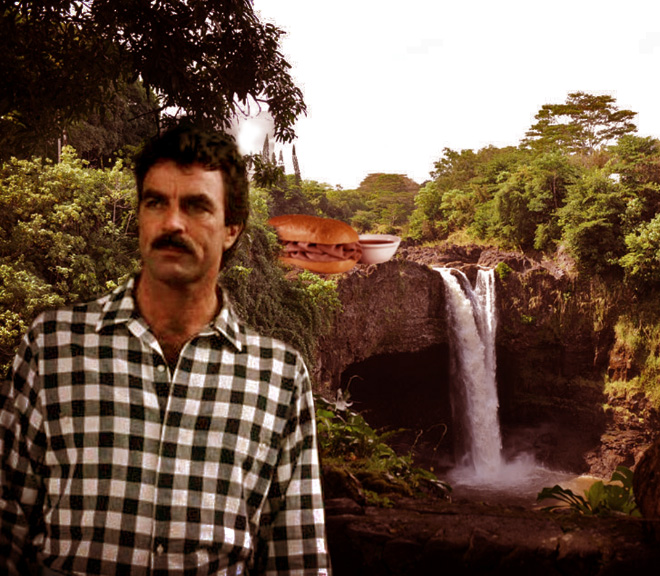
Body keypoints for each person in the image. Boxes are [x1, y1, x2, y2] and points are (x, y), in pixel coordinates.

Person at [0, 125, 332, 575]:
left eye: (196, 206)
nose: (172, 223)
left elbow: (297, 557)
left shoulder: (279, 376)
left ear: (232, 228)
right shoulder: (54, 347)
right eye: (156, 202)